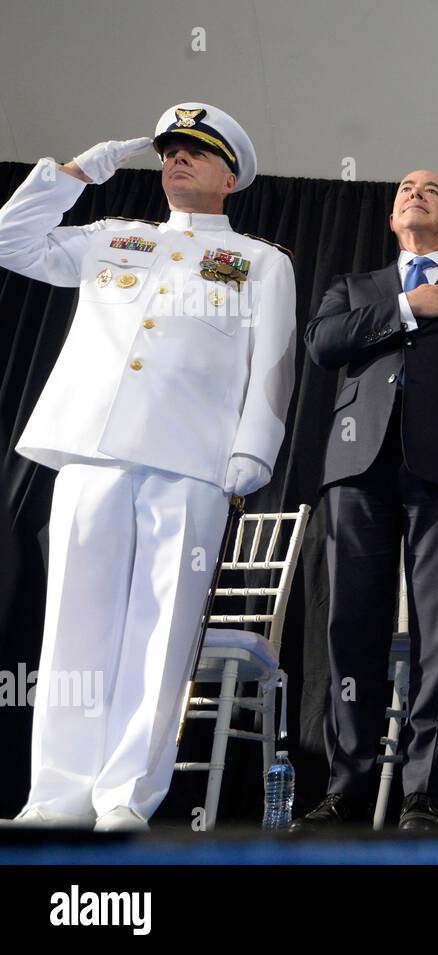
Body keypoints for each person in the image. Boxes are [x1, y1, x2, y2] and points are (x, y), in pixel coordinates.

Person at [0, 103, 297, 831]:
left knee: (159, 636)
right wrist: (78, 172)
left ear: (231, 175)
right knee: (74, 630)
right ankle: (57, 794)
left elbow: (275, 364)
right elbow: (9, 240)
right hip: (93, 453)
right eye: (168, 151)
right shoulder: (113, 238)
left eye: (195, 152)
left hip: (191, 462)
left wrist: (251, 449)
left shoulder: (259, 260)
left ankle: (125, 794)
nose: (176, 161)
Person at [297, 170, 438, 831]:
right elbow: (322, 344)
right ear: (394, 219)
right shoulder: (356, 286)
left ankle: (425, 792)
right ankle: (346, 787)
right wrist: (408, 307)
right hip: (356, 470)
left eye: (431, 187)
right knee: (351, 630)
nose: (414, 190)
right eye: (404, 188)